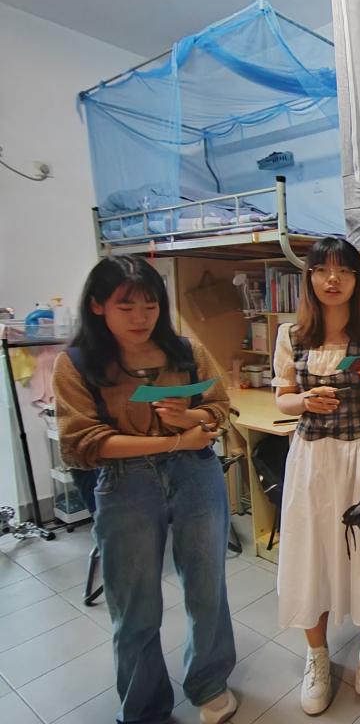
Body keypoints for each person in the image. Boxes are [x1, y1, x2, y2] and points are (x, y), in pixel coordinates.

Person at [53, 256, 236, 724]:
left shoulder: (185, 349)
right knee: (134, 602)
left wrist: (190, 417)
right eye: (126, 307)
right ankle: (144, 706)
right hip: (125, 482)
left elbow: (219, 406)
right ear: (98, 306)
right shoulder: (77, 364)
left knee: (206, 587)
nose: (141, 318)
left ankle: (209, 682)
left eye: (150, 306)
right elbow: (82, 443)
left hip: (195, 472)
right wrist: (173, 440)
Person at [272, 237, 360, 714]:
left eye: (344, 271)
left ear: (356, 279)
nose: (333, 280)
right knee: (312, 549)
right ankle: (317, 655)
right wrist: (304, 401)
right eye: (323, 270)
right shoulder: (291, 335)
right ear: (309, 277)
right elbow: (282, 399)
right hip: (313, 457)